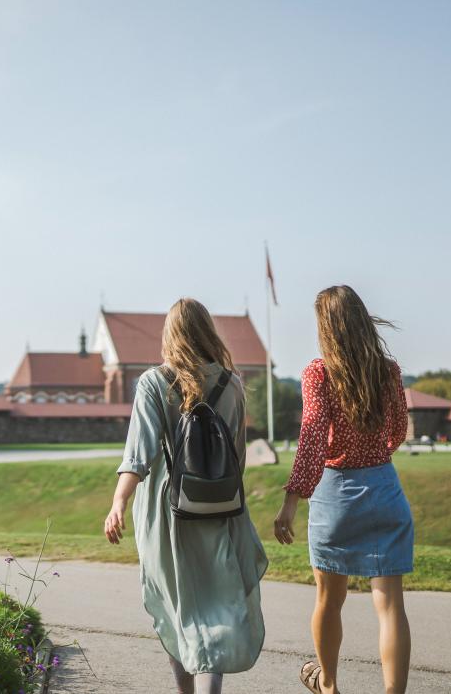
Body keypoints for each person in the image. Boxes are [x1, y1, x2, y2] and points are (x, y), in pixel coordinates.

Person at [104, 298, 266, 694]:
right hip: (222, 508)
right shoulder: (232, 384)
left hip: (167, 512)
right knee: (218, 605)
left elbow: (137, 457)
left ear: (170, 334)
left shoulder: (154, 382)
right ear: (208, 330)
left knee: (177, 609)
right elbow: (238, 457)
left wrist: (118, 502)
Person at [273, 285, 413, 694]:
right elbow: (399, 430)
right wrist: (378, 451)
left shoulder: (319, 372)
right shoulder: (388, 371)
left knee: (329, 600)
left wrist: (291, 500)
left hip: (337, 494)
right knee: (389, 606)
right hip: (385, 486)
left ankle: (329, 685)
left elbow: (313, 434)